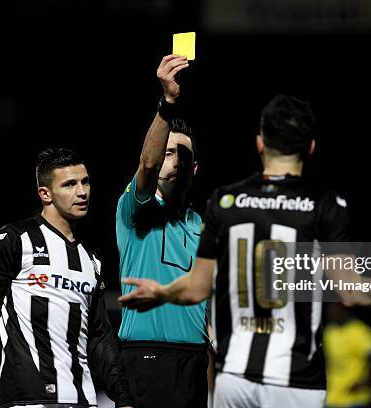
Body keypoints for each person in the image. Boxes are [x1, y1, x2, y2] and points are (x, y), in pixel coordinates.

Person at [118, 94, 371, 408]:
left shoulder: (224, 203)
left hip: (234, 377)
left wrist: (163, 292)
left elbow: (197, 289)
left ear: (260, 144)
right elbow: (352, 293)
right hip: (295, 378)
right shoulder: (326, 205)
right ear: (310, 148)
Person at [0, 148, 133, 408]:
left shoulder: (92, 261)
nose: (82, 192)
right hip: (27, 397)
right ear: (45, 194)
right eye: (69, 184)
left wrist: (123, 398)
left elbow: (99, 336)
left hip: (83, 399)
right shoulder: (15, 239)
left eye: (85, 182)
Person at [115, 54, 209, 408]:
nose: (176, 162)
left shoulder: (203, 225)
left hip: (196, 360)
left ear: (195, 168)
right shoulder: (136, 210)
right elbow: (148, 163)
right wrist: (167, 104)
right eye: (169, 153)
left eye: (183, 156)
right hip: (148, 359)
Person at [323, 303, 371, 408]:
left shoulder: (357, 330)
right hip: (331, 398)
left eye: (333, 308)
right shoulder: (330, 330)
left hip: (353, 399)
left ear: (342, 308)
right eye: (328, 309)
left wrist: (366, 380)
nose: (330, 312)